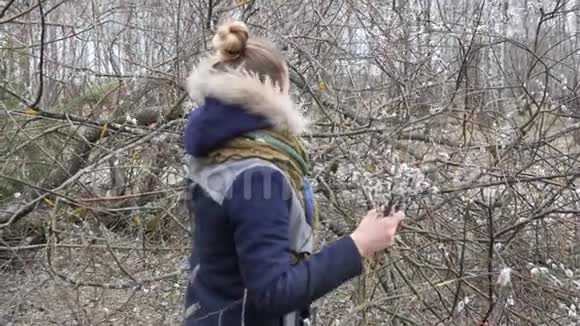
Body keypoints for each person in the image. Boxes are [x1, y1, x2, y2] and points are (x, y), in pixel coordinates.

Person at [182, 20, 406, 326]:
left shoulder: (217, 154)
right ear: (272, 95)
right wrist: (359, 244)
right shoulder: (258, 177)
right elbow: (273, 293)